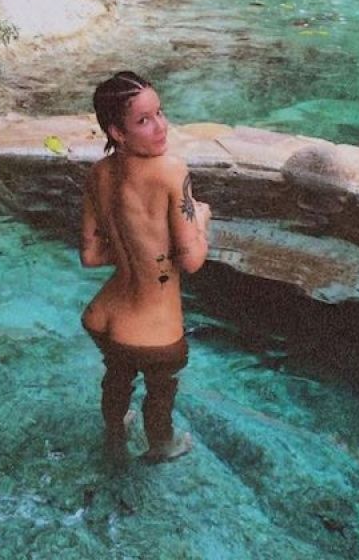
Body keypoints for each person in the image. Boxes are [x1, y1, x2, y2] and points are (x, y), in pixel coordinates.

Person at [80, 71, 212, 463]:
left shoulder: (98, 173)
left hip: (103, 316)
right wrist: (201, 220)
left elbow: (91, 256)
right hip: (153, 333)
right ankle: (162, 445)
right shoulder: (171, 171)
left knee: (117, 377)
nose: (160, 126)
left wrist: (140, 254)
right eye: (143, 120)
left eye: (160, 112)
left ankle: (115, 431)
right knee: (161, 391)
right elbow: (191, 261)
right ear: (117, 132)